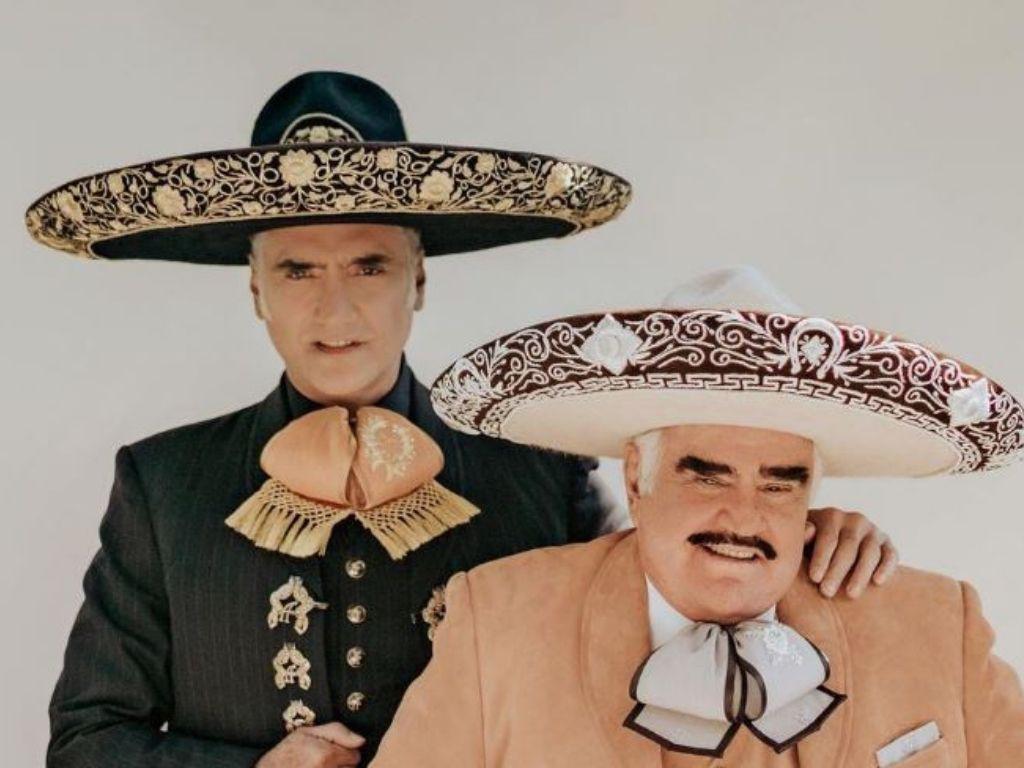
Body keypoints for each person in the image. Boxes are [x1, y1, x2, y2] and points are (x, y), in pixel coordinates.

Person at [27, 72, 895, 767]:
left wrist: (792, 541)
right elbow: (87, 742)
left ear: (419, 282)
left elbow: (668, 629)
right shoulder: (163, 481)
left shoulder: (538, 465)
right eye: (297, 270)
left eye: (370, 266)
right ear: (256, 289)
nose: (336, 309)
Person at [373, 267, 1024, 766]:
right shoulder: (498, 623)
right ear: (636, 478)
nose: (743, 516)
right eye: (708, 475)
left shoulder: (938, 623)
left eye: (779, 484)